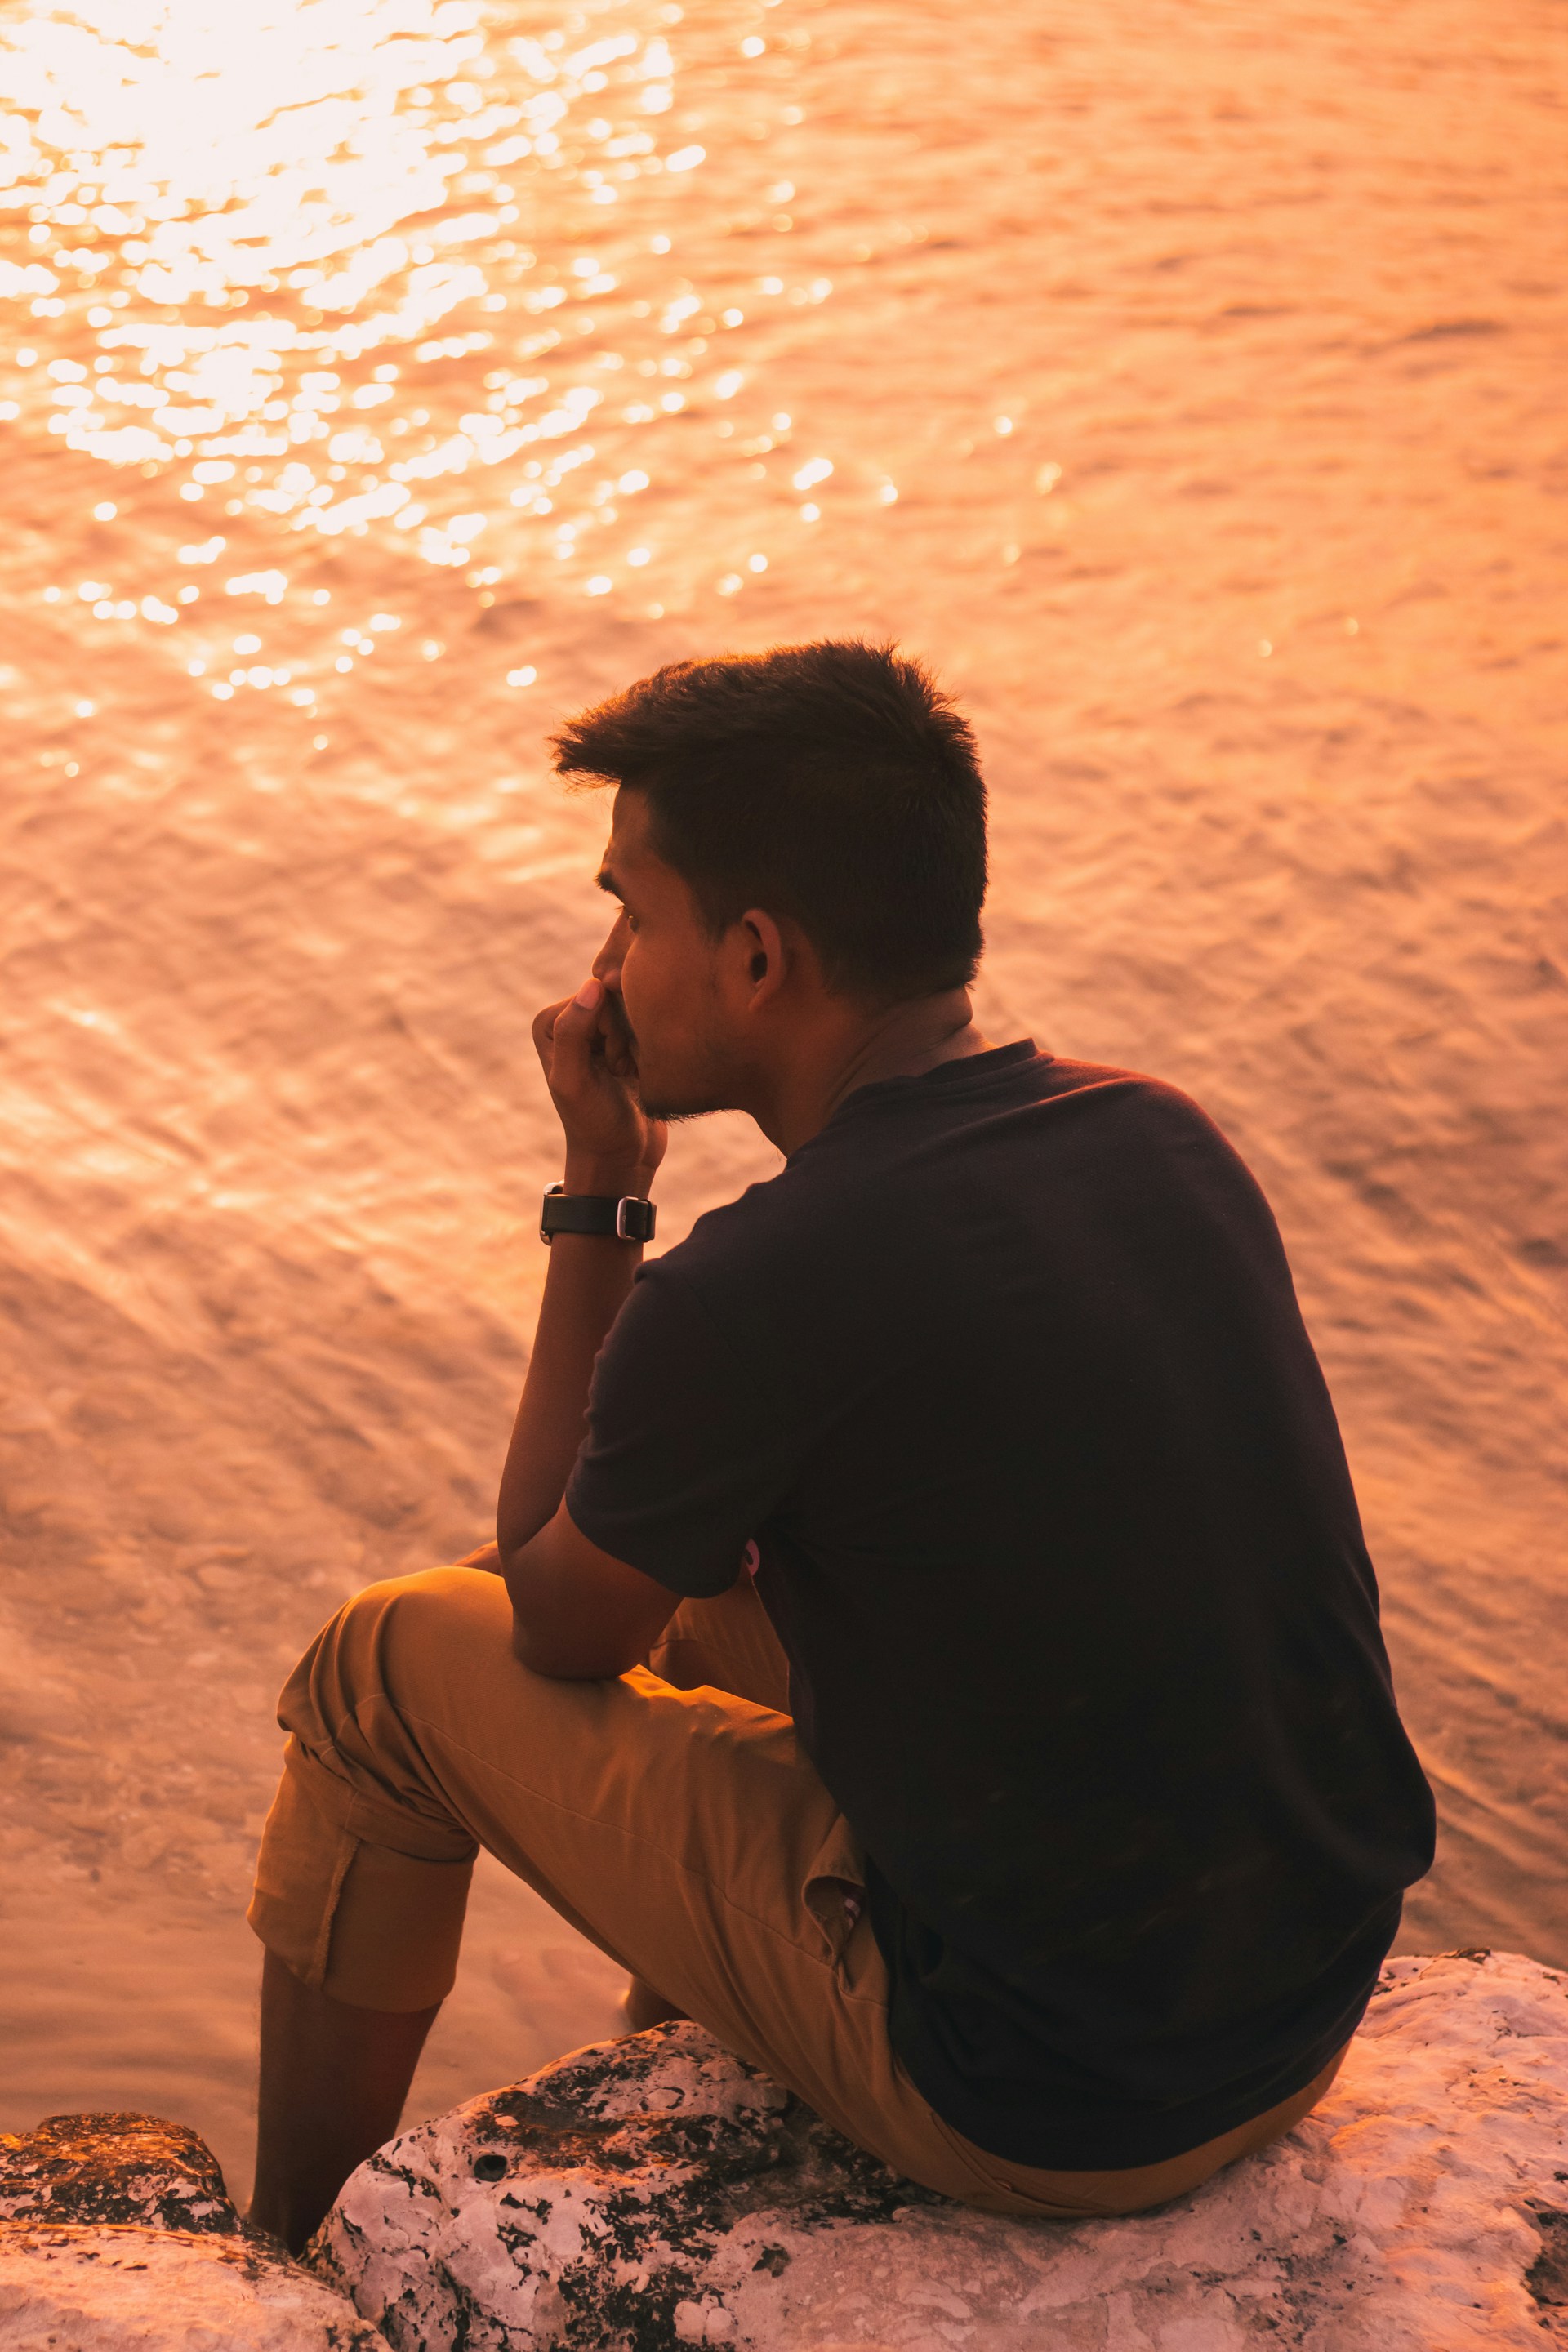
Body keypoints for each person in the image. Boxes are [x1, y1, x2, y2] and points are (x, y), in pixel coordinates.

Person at [246, 639, 1435, 2252]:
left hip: (1047, 2103)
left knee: (389, 1664)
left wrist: (602, 1193)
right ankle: (654, 2077)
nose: (601, 970)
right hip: (1287, 2018)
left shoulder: (765, 1283)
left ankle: (290, 2263)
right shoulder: (1159, 1136)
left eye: (629, 914)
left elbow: (553, 1621)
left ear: (750, 955)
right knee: (683, 1593)